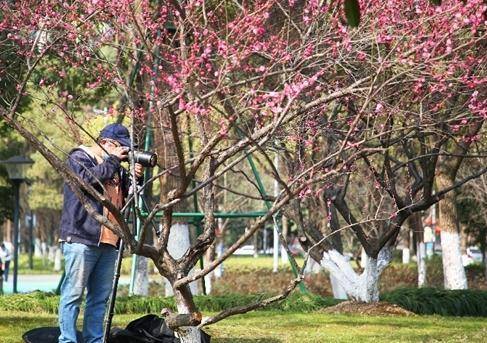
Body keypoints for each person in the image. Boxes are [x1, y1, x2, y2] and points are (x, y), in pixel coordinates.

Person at [58, 123, 143, 343]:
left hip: (109, 240)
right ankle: (67, 340)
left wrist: (135, 179)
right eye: (121, 148)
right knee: (74, 295)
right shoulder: (79, 158)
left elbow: (126, 202)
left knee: (99, 299)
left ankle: (94, 340)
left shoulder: (115, 168)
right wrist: (113, 160)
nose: (124, 154)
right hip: (82, 237)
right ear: (107, 143)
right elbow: (88, 182)